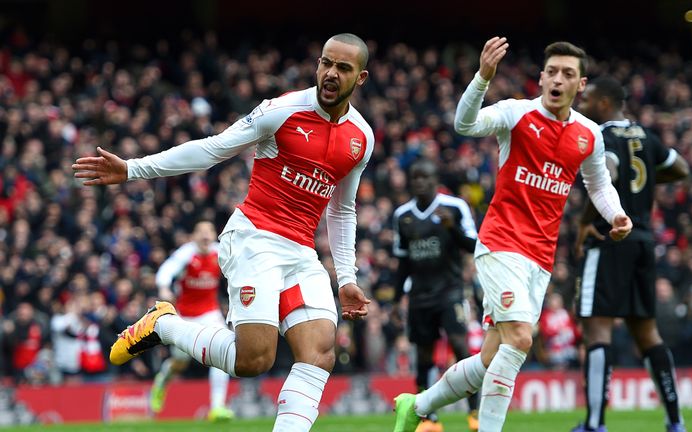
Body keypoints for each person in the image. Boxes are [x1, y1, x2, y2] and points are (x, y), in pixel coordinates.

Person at [73, 33, 373, 432]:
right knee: (254, 360)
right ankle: (163, 325)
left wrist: (347, 277)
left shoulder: (362, 138)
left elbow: (343, 208)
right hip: (255, 238)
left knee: (320, 352)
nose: (331, 74)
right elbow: (212, 149)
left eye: (343, 68)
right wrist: (133, 168)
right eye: (325, 63)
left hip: (301, 251)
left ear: (361, 78)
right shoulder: (281, 110)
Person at [393, 37, 632, 432]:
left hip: (540, 257)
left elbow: (599, 185)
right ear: (541, 78)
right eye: (552, 71)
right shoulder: (516, 114)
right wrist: (483, 78)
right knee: (520, 339)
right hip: (501, 243)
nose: (557, 79)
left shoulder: (589, 134)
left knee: (492, 357)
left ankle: (417, 405)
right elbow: (464, 124)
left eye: (567, 74)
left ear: (581, 84)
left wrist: (617, 214)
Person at [571, 76, 689, 432]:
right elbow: (681, 168)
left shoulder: (602, 135)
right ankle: (675, 422)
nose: (582, 103)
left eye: (587, 98)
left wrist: (585, 222)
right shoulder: (645, 136)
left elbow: (608, 171)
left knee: (597, 331)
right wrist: (649, 182)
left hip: (610, 237)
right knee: (647, 334)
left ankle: (594, 424)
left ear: (604, 103)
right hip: (644, 241)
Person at [392, 159, 480, 432]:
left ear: (434, 180)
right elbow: (403, 261)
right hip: (419, 294)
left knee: (460, 346)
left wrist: (452, 226)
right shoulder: (402, 216)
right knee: (424, 355)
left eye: (424, 177)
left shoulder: (454, 207)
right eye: (414, 177)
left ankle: (475, 412)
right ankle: (429, 419)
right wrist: (397, 299)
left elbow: (474, 245)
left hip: (450, 291)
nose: (419, 182)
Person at [148, 221, 234, 421]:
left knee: (222, 354)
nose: (205, 236)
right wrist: (164, 287)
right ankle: (163, 379)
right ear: (194, 236)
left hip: (210, 314)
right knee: (179, 363)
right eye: (201, 232)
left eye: (209, 231)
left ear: (214, 235)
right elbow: (166, 270)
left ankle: (217, 408)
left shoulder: (219, 252)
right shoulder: (186, 254)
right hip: (185, 317)